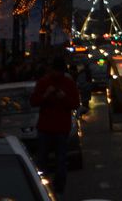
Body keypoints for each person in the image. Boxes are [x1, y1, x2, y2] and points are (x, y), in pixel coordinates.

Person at [30, 58, 80, 194]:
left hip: (60, 128)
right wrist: (46, 95)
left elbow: (75, 104)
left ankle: (58, 188)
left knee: (60, 162)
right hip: (46, 127)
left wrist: (63, 97)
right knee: (42, 161)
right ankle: (42, 188)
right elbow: (34, 101)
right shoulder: (44, 83)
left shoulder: (68, 84)